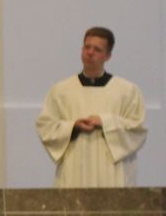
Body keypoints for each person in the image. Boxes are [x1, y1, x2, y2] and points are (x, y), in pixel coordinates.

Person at [36, 27, 147, 187]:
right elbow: (46, 126)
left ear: (107, 56)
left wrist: (105, 122)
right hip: (74, 168)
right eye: (87, 47)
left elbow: (138, 129)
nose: (90, 52)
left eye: (97, 49)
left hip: (112, 173)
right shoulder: (61, 90)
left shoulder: (127, 91)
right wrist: (72, 126)